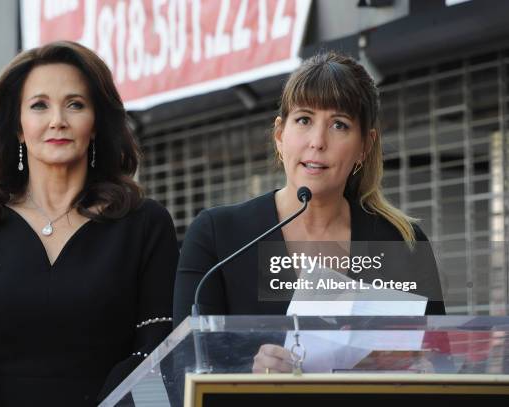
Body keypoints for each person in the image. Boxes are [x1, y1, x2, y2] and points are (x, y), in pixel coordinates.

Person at [0, 41, 178, 406]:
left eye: (75, 104)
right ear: (17, 126)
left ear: (95, 125)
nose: (57, 120)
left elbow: (162, 357)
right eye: (39, 105)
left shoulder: (145, 225)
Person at [173, 51, 445, 373]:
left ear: (365, 145)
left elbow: (442, 355)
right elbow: (183, 367)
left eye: (339, 125)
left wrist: (428, 366)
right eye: (304, 120)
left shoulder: (402, 243)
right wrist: (248, 374)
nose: (317, 141)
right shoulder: (217, 235)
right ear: (279, 135)